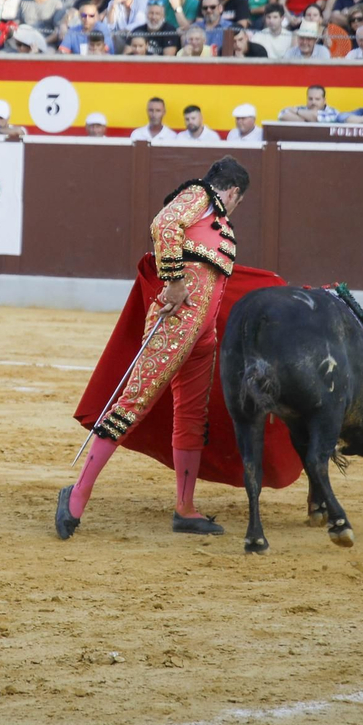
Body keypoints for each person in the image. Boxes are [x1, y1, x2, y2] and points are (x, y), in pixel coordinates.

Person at [55, 156, 248, 541]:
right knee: (133, 402)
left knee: (192, 417)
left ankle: (185, 509)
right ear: (234, 191)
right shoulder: (201, 195)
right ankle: (76, 495)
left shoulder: (216, 221)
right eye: (240, 200)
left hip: (202, 337)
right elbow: (163, 224)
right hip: (174, 324)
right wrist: (174, 283)